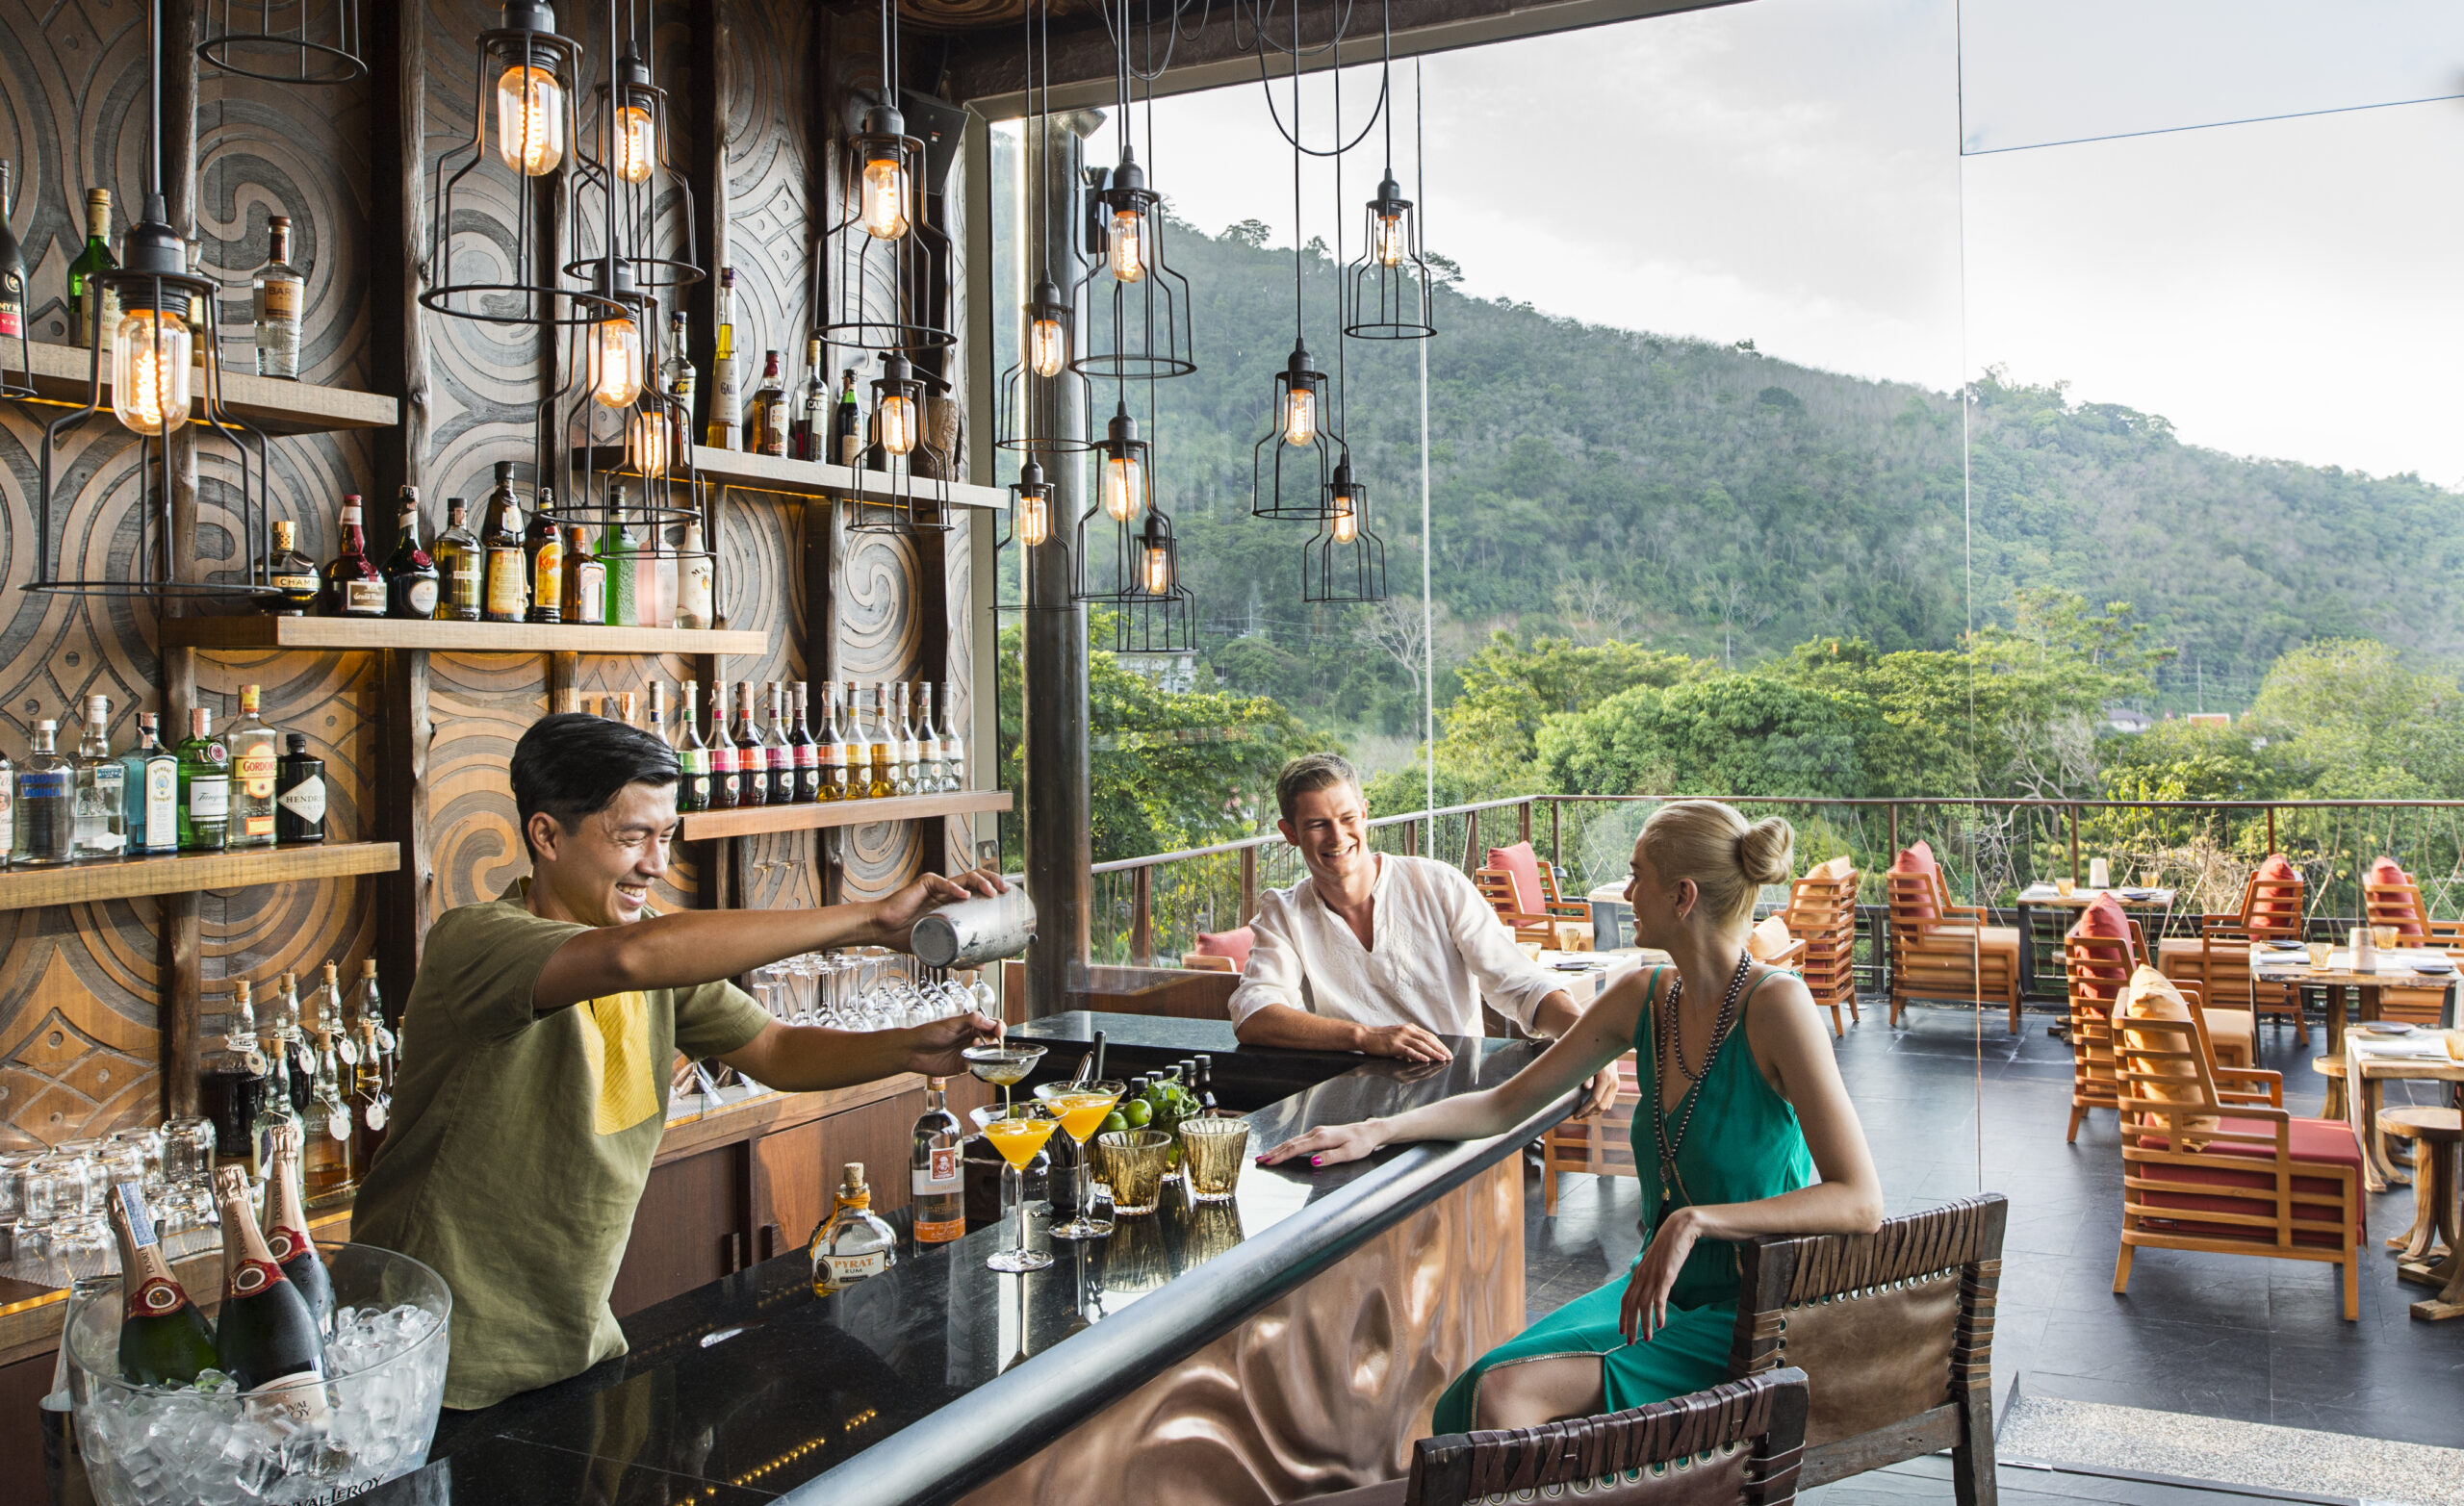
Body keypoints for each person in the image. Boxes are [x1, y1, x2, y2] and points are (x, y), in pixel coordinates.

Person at [350, 714, 1005, 1410]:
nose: (657, 864)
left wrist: (909, 1049)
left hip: (575, 1345)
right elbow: (630, 959)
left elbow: (775, 1049)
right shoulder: (478, 942)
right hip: (429, 1358)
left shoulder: (651, 957)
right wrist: (870, 919)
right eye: (632, 837)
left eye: (666, 837)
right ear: (546, 835)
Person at [1260, 799, 1882, 1433]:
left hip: (1757, 1308)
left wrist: (1696, 1221)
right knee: (1472, 1393)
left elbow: (1859, 1201)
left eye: (1637, 875)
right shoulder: (1645, 994)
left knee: (1502, 1396)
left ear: (1683, 896)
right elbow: (1503, 1105)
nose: (1627, 892)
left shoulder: (1777, 1005)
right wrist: (1376, 1130)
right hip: (1659, 1291)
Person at [1229, 755, 1610, 1089]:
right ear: (1290, 833)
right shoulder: (1283, 912)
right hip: (1346, 1111)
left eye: (1347, 818)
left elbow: (1522, 984)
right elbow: (1253, 1014)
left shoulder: (1437, 885)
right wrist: (1365, 1036)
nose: (1337, 836)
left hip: (1454, 1099)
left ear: (1364, 814)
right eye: (1317, 824)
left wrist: (1591, 1045)